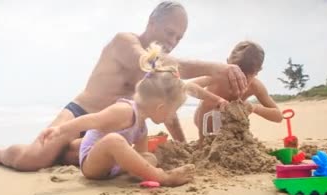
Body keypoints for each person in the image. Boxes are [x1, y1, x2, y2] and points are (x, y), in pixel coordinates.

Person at [0, 1, 247, 171]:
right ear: (152, 22)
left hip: (112, 125)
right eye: (169, 32)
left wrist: (185, 147)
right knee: (35, 159)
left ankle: (66, 150)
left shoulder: (162, 63)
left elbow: (169, 105)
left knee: (92, 156)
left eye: (179, 37)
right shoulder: (126, 42)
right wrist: (215, 67)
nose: (172, 40)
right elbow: (149, 62)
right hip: (81, 112)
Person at [38, 43, 221, 186]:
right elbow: (91, 120)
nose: (171, 118)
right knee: (114, 141)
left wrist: (143, 162)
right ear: (160, 108)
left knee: (150, 157)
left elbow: (139, 154)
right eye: (172, 112)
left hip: (115, 168)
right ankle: (163, 178)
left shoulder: (141, 126)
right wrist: (60, 129)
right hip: (93, 164)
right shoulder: (124, 111)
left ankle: (145, 173)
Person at [191, 41, 283, 143]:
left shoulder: (255, 86)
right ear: (227, 65)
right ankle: (202, 142)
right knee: (208, 101)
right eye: (234, 73)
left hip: (232, 129)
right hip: (207, 125)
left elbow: (278, 116)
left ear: (257, 72)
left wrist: (254, 108)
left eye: (246, 77)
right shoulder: (218, 76)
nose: (238, 79)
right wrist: (215, 99)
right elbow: (188, 87)